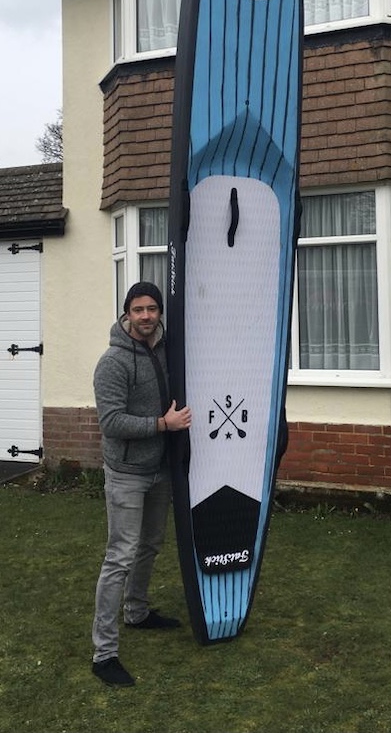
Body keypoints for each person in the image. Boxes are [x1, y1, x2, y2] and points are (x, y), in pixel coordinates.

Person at [91, 281, 192, 687]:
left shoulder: (167, 350)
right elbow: (111, 422)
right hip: (127, 473)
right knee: (120, 556)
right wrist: (162, 424)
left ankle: (136, 611)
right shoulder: (113, 362)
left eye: (152, 308)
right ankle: (104, 654)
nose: (146, 316)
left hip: (160, 469)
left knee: (150, 545)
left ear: (159, 312)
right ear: (127, 314)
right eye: (138, 309)